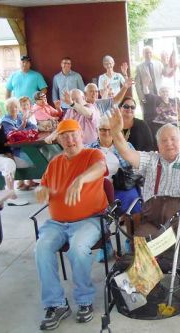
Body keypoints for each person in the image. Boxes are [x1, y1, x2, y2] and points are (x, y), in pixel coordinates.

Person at [34, 119, 108, 330]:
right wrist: (41, 191)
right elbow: (43, 188)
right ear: (58, 140)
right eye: (64, 136)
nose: (70, 139)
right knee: (41, 248)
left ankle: (84, 300)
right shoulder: (55, 163)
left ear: (81, 135)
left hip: (90, 220)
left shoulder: (92, 155)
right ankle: (56, 304)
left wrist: (81, 179)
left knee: (78, 248)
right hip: (57, 223)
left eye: (73, 134)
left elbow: (100, 168)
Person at [109, 111, 180, 256]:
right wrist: (115, 131)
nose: (169, 143)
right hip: (153, 219)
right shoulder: (151, 159)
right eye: (164, 140)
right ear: (158, 145)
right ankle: (152, 277)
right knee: (140, 247)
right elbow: (126, 152)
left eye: (173, 139)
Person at [88, 116, 142, 260]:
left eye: (109, 129)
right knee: (94, 210)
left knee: (134, 206)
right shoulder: (90, 149)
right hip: (98, 189)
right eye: (102, 129)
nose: (106, 132)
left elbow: (136, 167)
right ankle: (105, 244)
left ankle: (131, 239)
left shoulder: (125, 145)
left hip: (122, 186)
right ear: (97, 130)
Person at [1, 97, 38, 190]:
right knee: (35, 156)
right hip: (13, 151)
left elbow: (33, 127)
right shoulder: (5, 121)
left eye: (16, 107)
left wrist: (23, 129)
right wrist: (23, 126)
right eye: (11, 107)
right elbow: (13, 136)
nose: (14, 109)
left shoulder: (19, 116)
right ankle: (22, 182)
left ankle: (27, 181)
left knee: (39, 150)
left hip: (23, 146)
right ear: (7, 109)